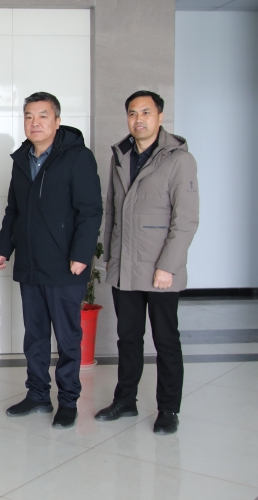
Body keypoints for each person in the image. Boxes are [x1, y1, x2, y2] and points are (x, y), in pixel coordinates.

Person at [0, 92, 102, 429]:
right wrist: (4, 247)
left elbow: (90, 211)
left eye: (42, 116)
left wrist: (81, 255)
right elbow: (14, 209)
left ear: (57, 121)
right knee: (35, 335)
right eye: (28, 116)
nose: (35, 123)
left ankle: (68, 400)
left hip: (66, 265)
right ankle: (38, 394)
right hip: (30, 262)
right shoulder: (21, 159)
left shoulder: (77, 157)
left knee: (67, 338)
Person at [94, 91, 199, 435]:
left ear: (160, 117)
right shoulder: (121, 155)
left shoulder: (179, 160)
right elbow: (112, 211)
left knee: (166, 340)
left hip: (160, 270)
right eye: (132, 113)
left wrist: (168, 266)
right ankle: (125, 400)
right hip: (125, 266)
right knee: (128, 338)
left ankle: (169, 409)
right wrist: (110, 258)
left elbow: (186, 220)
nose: (138, 119)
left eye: (145, 112)